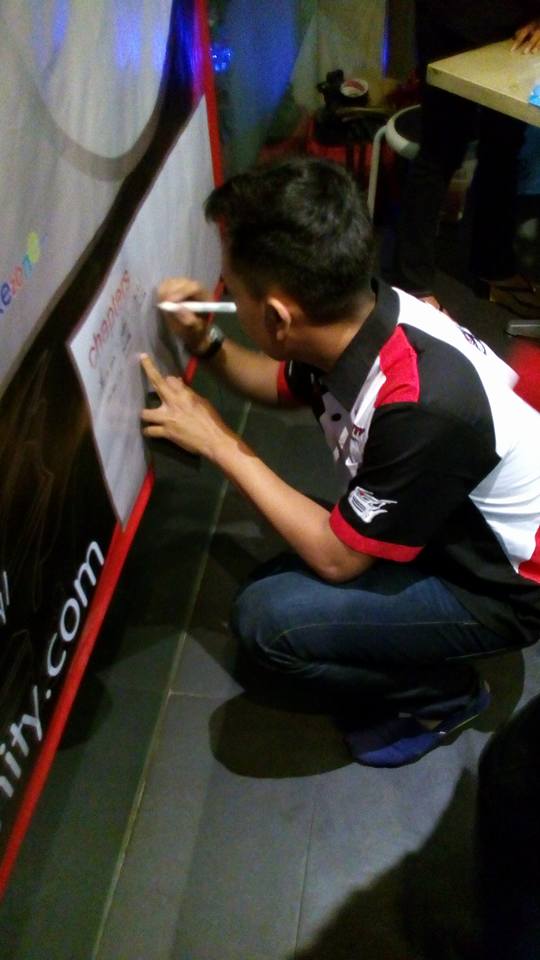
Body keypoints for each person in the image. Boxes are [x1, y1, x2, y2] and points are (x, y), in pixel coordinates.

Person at [140, 156, 540, 768]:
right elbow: (279, 382)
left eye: (230, 292)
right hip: (451, 525)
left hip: (503, 588)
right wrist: (206, 342)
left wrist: (219, 442)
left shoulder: (419, 402)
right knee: (281, 582)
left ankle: (443, 695)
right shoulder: (364, 314)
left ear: (278, 317)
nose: (225, 300)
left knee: (268, 622)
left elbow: (336, 558)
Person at [394, 1, 540, 316]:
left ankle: (492, 266)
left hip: (514, 24)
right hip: (452, 21)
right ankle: (413, 284)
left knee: (503, 147)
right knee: (442, 148)